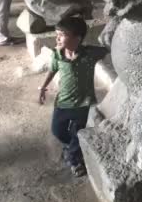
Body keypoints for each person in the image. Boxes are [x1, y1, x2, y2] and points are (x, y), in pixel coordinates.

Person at [38, 17, 108, 177]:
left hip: (83, 104)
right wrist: (43, 87)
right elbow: (52, 70)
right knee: (57, 130)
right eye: (57, 34)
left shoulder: (90, 54)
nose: (57, 38)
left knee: (79, 132)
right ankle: (74, 147)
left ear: (77, 38)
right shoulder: (57, 55)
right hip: (63, 102)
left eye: (62, 35)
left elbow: (109, 49)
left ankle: (75, 160)